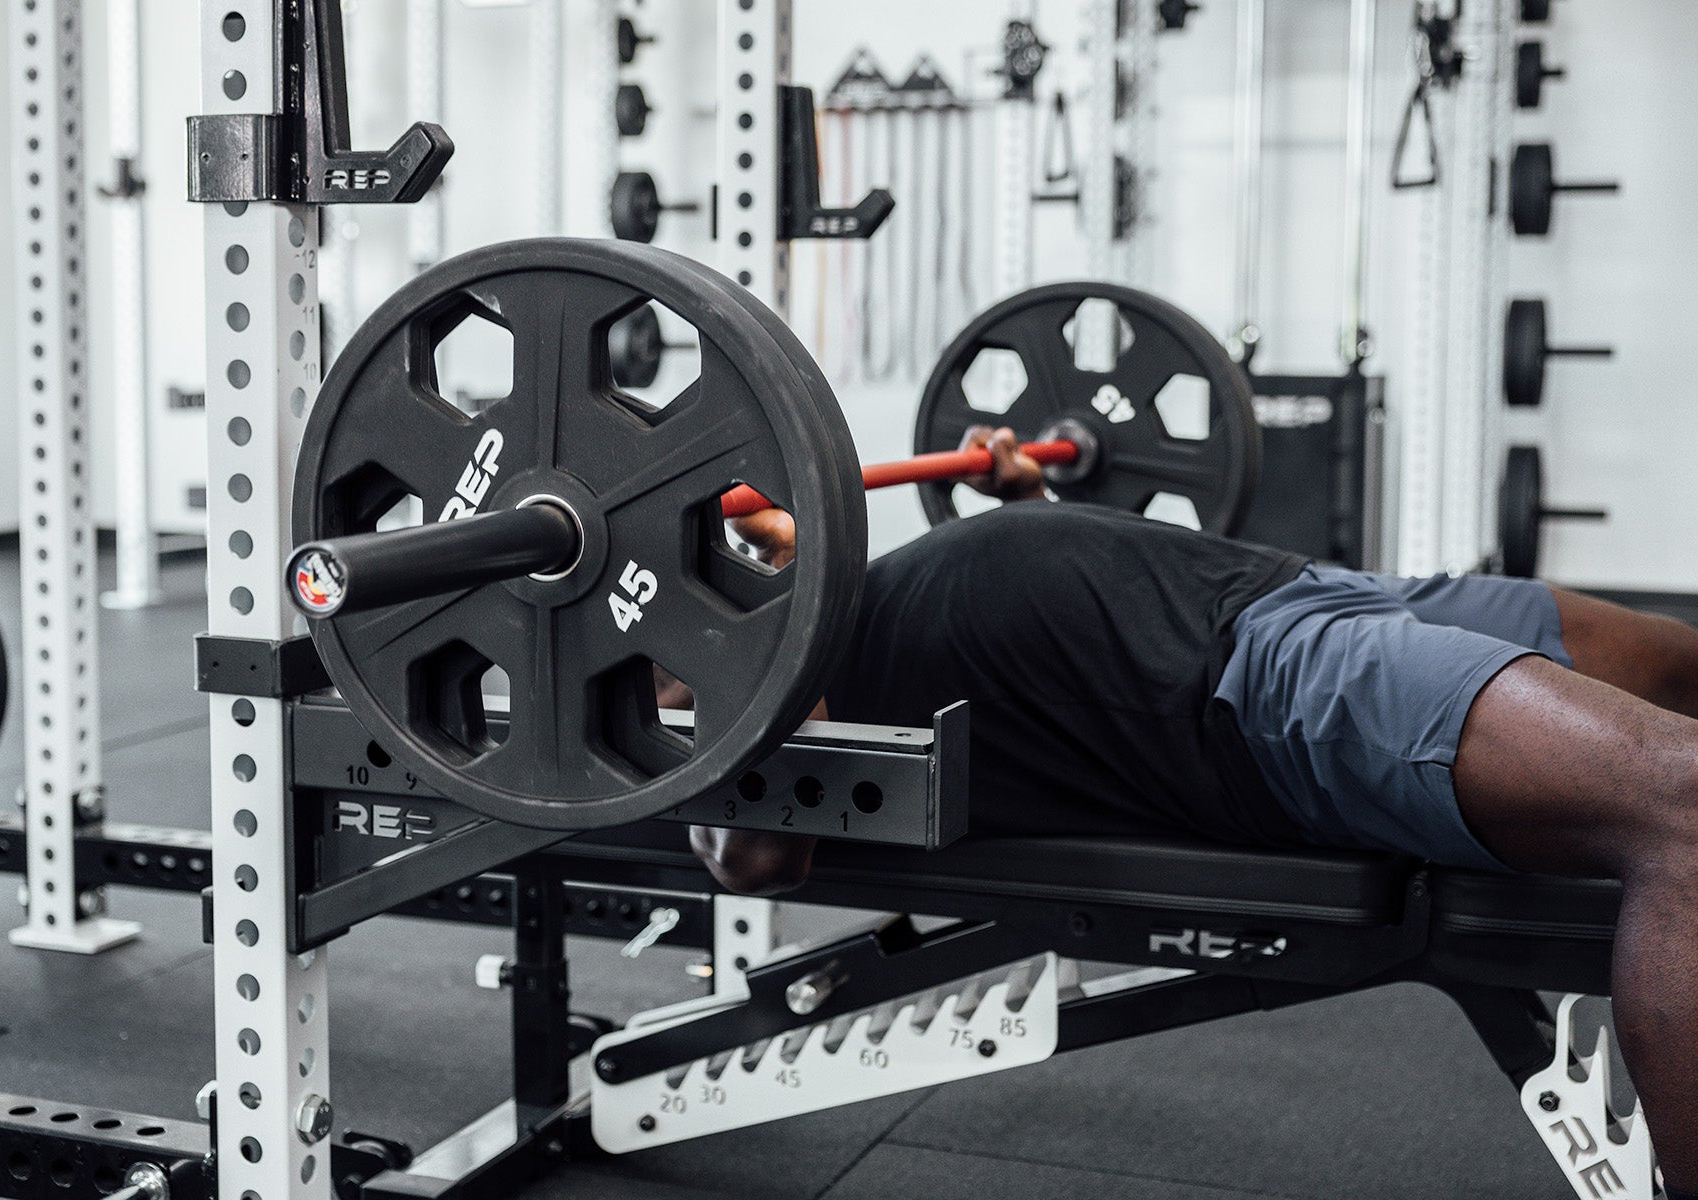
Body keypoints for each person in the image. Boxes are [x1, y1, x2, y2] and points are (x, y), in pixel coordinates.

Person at [689, 426, 1698, 1197]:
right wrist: (747, 644)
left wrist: (1020, 498)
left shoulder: (787, 597)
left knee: (1677, 662)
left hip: (1291, 588)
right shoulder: (723, 691)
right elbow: (754, 856)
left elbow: (927, 600)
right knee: (1679, 800)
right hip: (1254, 688)